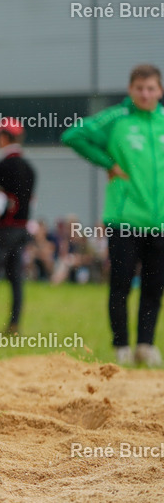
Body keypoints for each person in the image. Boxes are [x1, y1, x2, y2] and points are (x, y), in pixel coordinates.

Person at [62, 64, 164, 366]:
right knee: (120, 284)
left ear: (160, 90)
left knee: (154, 287)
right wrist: (107, 162)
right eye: (139, 88)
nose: (145, 94)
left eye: (151, 88)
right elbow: (73, 135)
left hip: (159, 223)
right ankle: (121, 346)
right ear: (130, 90)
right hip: (124, 220)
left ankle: (145, 345)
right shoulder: (116, 118)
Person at [0, 118, 36, 335]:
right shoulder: (30, 169)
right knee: (16, 278)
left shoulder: (2, 166)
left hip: (3, 229)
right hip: (21, 229)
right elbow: (31, 201)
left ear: (4, 137)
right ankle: (14, 325)